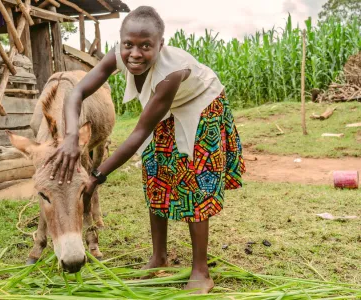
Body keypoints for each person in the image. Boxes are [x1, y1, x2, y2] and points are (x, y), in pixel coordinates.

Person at [46, 6, 245, 294]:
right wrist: (69, 135)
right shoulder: (118, 55)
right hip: (165, 110)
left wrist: (97, 175)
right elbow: (77, 92)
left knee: (194, 181)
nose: (135, 54)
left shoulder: (171, 73)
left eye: (145, 46)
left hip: (201, 106)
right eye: (129, 45)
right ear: (121, 41)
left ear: (160, 45)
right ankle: (158, 258)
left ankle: (201, 271)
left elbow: (139, 132)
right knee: (155, 174)